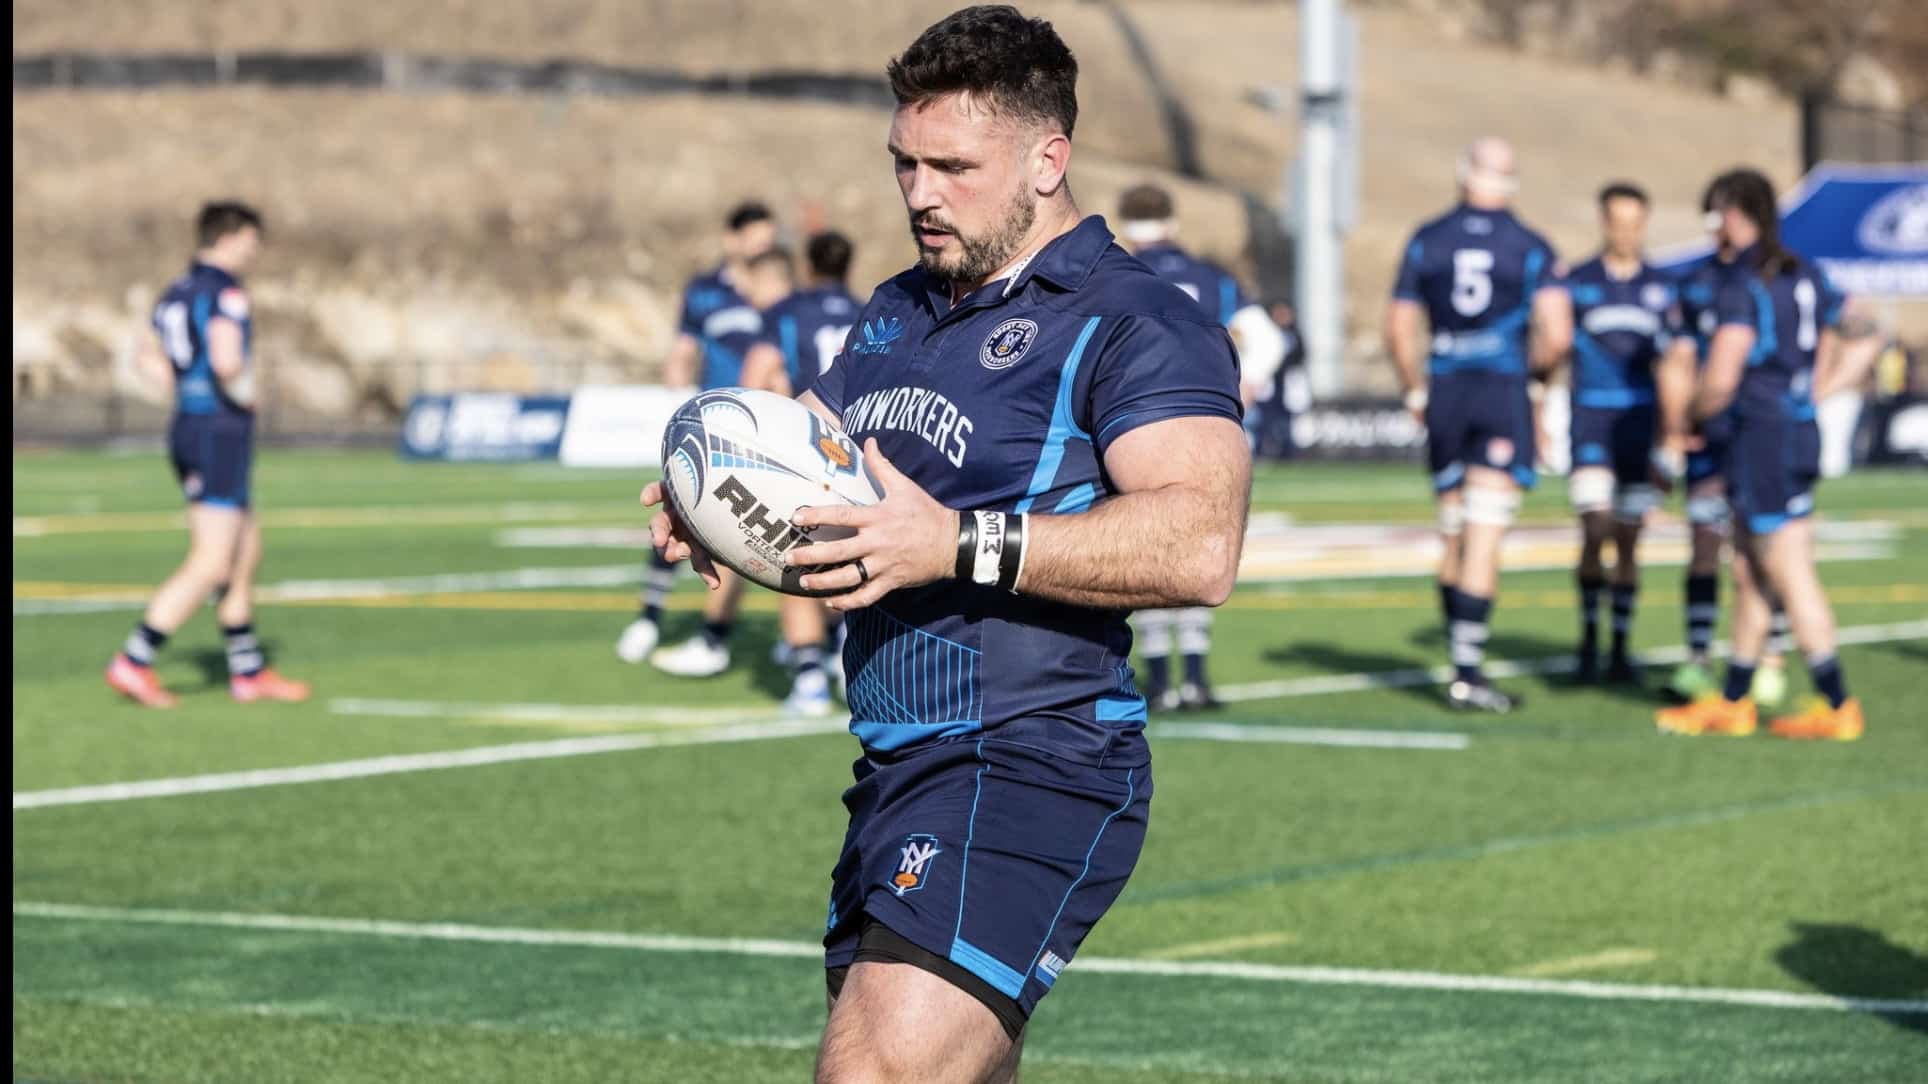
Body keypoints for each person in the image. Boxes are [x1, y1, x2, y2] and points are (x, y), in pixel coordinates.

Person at [642, 7, 1251, 1080]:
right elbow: (811, 461)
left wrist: (957, 544)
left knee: (869, 1070)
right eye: (903, 162)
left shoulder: (1135, 317)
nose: (920, 193)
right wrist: (714, 503)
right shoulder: (897, 311)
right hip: (895, 762)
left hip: (1031, 755)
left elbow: (1201, 543)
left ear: (1047, 160)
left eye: (953, 167)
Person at [1656, 168, 1865, 740]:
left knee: (1789, 568)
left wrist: (1690, 419)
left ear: (1732, 213)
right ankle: (1734, 699)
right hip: (1791, 429)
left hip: (1761, 436)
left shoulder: (1742, 281)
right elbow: (1866, 331)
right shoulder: (1804, 272)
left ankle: (1837, 701)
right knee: (1749, 568)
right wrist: (1818, 391)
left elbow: (1724, 371)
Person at [1384, 137, 1573, 712]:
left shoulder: (1427, 238)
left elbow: (1399, 326)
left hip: (1446, 389)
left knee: (1453, 529)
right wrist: (1536, 382)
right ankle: (1467, 674)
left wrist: (1415, 387)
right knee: (1485, 533)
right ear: (1511, 180)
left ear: (1463, 173)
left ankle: (1457, 658)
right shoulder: (1530, 245)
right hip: (1499, 389)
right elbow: (1558, 335)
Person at [104, 201, 310, 708]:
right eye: (253, 242)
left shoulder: (176, 291)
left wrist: (183, 390)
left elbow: (146, 356)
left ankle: (248, 671)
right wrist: (244, 394)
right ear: (231, 237)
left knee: (245, 549)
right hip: (218, 429)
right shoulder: (225, 291)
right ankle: (134, 660)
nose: (255, 253)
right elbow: (226, 360)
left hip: (192, 423)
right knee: (214, 561)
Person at [1112, 181, 1285, 710]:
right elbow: (1270, 339)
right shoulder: (1212, 278)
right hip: (1205, 426)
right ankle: (1195, 676)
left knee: (1148, 550)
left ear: (1127, 224)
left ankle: (1161, 679)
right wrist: (1243, 387)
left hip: (1138, 427)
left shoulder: (1117, 275)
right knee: (1197, 545)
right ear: (1172, 221)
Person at [616, 201, 778, 674]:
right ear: (732, 239)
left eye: (769, 241)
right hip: (708, 427)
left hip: (761, 433)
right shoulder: (705, 292)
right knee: (677, 514)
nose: (763, 248)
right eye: (756, 239)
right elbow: (683, 351)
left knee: (743, 527)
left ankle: (717, 638)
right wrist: (675, 401)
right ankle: (649, 617)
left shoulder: (776, 292)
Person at [742, 231, 863, 715]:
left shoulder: (788, 311)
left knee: (792, 556)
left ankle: (809, 678)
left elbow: (757, 375)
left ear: (808, 268)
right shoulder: (870, 309)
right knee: (848, 556)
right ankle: (845, 651)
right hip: (861, 453)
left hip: (807, 445)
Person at [1561, 182, 1675, 684]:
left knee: (1628, 539)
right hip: (1591, 417)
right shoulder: (1576, 282)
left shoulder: (1664, 287)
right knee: (1594, 526)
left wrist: (1674, 432)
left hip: (1640, 423)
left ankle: (1620, 649)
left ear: (1644, 225)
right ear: (1603, 222)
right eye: (1616, 222)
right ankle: (1588, 640)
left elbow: (1677, 363)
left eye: (1634, 223)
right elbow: (1552, 346)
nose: (1625, 232)